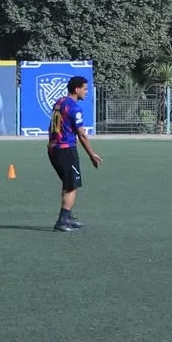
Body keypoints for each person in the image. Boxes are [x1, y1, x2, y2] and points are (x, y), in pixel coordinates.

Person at [49, 76, 102, 233]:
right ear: (77, 89)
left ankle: (68, 217)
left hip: (53, 149)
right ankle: (62, 221)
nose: (87, 92)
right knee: (72, 185)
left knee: (68, 183)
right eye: (85, 89)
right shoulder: (74, 108)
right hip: (65, 149)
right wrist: (92, 154)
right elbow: (82, 134)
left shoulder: (59, 102)